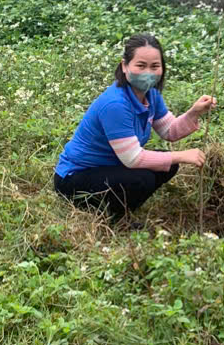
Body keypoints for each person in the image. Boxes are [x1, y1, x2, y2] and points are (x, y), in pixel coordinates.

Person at [54, 33, 214, 219]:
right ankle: (113, 215)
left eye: (155, 66)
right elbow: (133, 159)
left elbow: (169, 131)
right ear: (124, 66)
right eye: (141, 65)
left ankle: (119, 205)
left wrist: (194, 112)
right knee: (143, 178)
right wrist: (181, 155)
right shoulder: (115, 104)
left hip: (111, 166)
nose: (148, 73)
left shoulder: (151, 95)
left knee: (168, 166)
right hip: (75, 177)